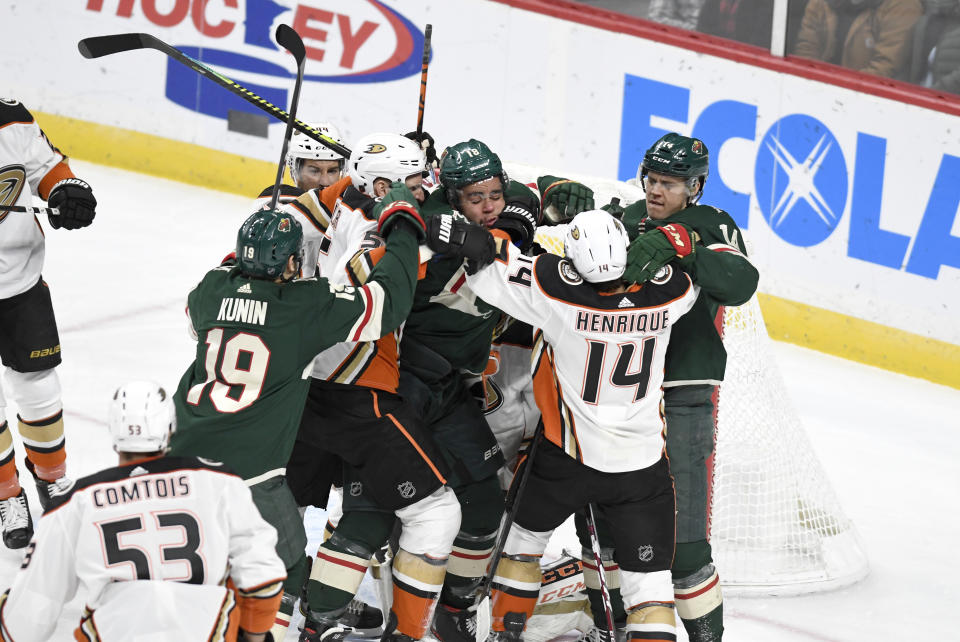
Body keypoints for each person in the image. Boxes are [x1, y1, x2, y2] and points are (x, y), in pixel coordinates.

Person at [167, 201, 436, 641]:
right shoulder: (306, 305)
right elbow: (387, 304)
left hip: (179, 457)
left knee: (199, 566)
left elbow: (202, 320)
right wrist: (404, 226)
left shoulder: (211, 288)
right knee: (287, 570)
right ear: (293, 262)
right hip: (251, 473)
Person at [460, 209, 698, 642]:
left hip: (566, 458)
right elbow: (706, 278)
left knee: (523, 542)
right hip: (642, 467)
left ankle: (504, 632)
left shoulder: (556, 296)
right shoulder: (672, 294)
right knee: (651, 587)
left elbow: (485, 266)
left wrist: (462, 231)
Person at [403, 139, 596, 642]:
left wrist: (553, 189)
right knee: (401, 501)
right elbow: (496, 237)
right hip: (403, 380)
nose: (487, 206)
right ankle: (376, 606)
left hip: (449, 388)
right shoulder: (431, 239)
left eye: (494, 194)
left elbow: (524, 204)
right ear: (451, 197)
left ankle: (456, 608)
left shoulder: (490, 216)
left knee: (482, 502)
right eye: (474, 198)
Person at [574, 133, 755, 642]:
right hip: (613, 398)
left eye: (669, 184)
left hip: (680, 394)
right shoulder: (627, 218)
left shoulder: (709, 223)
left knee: (685, 538)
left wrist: (685, 245)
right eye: (651, 180)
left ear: (693, 187)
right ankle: (602, 628)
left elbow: (740, 283)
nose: (656, 191)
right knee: (604, 527)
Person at [286, 134, 463, 642]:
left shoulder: (338, 195)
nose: (421, 189)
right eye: (412, 182)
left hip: (303, 387)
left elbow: (319, 201)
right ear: (384, 185)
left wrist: (410, 162)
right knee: (436, 510)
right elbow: (378, 280)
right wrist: (407, 220)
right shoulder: (375, 232)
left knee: (312, 509)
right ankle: (406, 635)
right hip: (358, 391)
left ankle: (301, 622)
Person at [0, 380, 286, 641]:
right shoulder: (219, 482)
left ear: (113, 429)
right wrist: (255, 636)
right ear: (170, 427)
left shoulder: (76, 502)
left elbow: (27, 613)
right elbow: (262, 573)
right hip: (205, 629)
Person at [0, 98, 97, 549]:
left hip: (21, 278)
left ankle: (52, 479)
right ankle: (6, 493)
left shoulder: (10, 116)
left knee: (39, 385)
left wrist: (65, 190)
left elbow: (48, 168)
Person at [792, 0, 923, 79]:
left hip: (869, 99)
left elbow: (885, 69)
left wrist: (838, 88)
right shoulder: (821, 3)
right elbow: (806, 47)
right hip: (817, 89)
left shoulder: (904, 6)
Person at [285, 122, 347, 191]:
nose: (325, 182)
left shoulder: (350, 201)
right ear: (294, 172)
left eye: (332, 171)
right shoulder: (279, 200)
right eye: (314, 171)